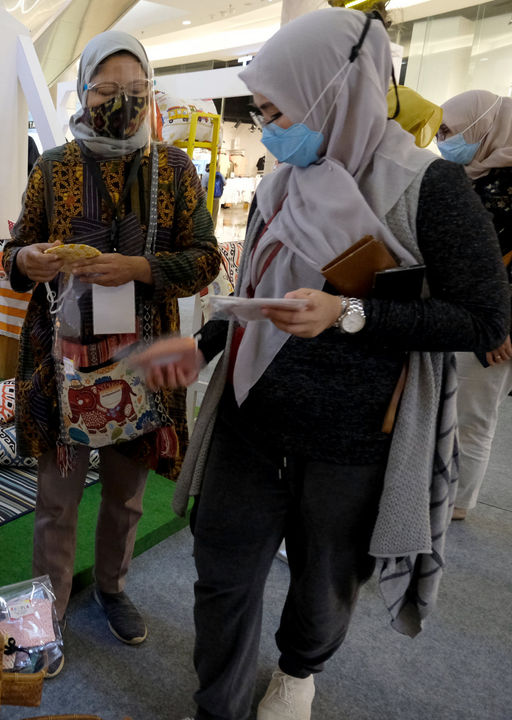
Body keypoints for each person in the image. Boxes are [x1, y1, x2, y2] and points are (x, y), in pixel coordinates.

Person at [136, 10, 508, 720]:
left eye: (280, 111)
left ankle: (298, 672)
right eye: (264, 113)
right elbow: (255, 295)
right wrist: (205, 344)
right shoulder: (285, 180)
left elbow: (484, 320)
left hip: (354, 441)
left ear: (332, 92)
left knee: (325, 582)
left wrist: (350, 314)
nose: (272, 129)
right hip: (253, 422)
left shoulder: (428, 190)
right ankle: (217, 706)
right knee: (222, 570)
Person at [4, 30, 219, 673]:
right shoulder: (53, 167)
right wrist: (29, 258)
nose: (121, 104)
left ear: (150, 93)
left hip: (142, 361)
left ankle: (113, 587)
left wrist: (140, 267)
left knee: (126, 495)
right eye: (106, 90)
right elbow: (15, 251)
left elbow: (205, 258)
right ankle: (49, 606)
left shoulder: (175, 171)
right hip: (63, 357)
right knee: (56, 499)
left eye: (135, 92)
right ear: (83, 90)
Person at [437, 89, 512, 521]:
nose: (445, 140)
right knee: (458, 411)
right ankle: (447, 495)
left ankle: (458, 504)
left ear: (482, 124)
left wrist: (502, 328)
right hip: (468, 315)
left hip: (494, 324)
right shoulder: (479, 174)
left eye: (450, 130)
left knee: (474, 417)